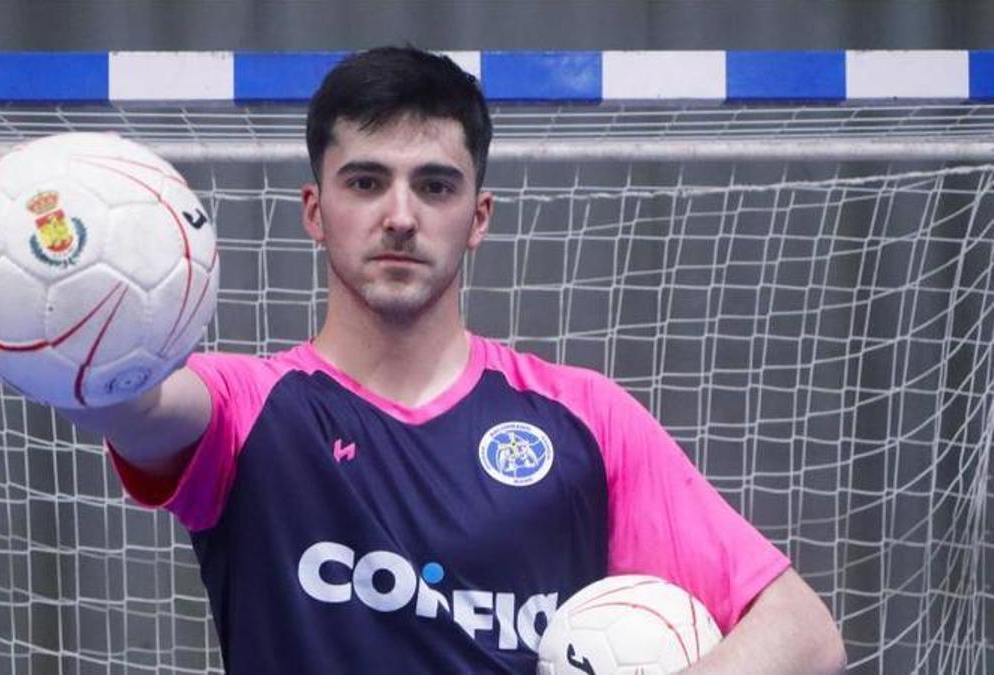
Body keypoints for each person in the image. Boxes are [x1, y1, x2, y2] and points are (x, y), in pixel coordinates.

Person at [63, 46, 847, 673]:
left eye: (433, 186)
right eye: (366, 181)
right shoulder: (248, 404)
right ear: (314, 211)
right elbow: (136, 406)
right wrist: (63, 320)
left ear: (477, 218)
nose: (400, 216)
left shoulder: (585, 416)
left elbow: (805, 634)